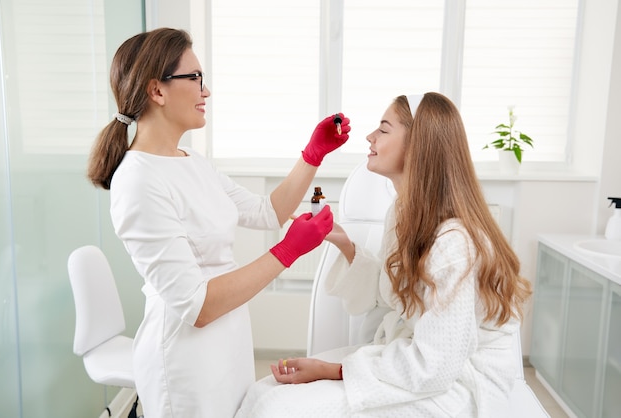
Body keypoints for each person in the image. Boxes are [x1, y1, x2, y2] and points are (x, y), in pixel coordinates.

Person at [86, 28, 350, 418]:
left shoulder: (191, 161)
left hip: (228, 340)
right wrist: (289, 250)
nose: (205, 91)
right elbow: (197, 305)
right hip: (184, 358)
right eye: (195, 79)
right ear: (157, 91)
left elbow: (267, 212)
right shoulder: (138, 180)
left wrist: (313, 154)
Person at [235, 92, 532, 418]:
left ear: (418, 145)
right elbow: (389, 294)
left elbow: (436, 366)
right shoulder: (403, 211)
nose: (370, 137)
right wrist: (345, 244)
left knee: (281, 411)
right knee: (267, 393)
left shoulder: (455, 244)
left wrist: (331, 370)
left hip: (458, 387)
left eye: (384, 129)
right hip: (416, 363)